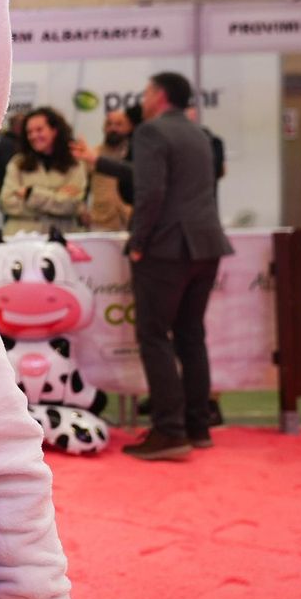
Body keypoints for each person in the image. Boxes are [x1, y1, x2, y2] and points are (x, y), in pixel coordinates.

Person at [114, 73, 233, 460]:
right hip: (206, 245)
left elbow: (151, 195)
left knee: (154, 336)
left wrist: (139, 242)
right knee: (190, 335)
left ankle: (169, 431)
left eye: (147, 90)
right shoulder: (198, 134)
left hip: (167, 248)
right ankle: (198, 426)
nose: (144, 97)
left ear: (160, 95)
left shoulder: (150, 133)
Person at [0, 106, 88, 236]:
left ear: (55, 130)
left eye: (39, 130)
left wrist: (30, 194)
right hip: (21, 241)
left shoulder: (75, 163)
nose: (34, 136)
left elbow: (72, 204)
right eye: (29, 132)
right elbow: (6, 203)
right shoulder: (17, 163)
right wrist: (56, 198)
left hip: (61, 241)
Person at [84, 109, 134, 231]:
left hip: (129, 222)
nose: (113, 128)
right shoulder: (93, 155)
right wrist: (82, 210)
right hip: (100, 222)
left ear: (129, 127)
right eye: (109, 124)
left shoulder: (134, 154)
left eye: (118, 124)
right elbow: (83, 188)